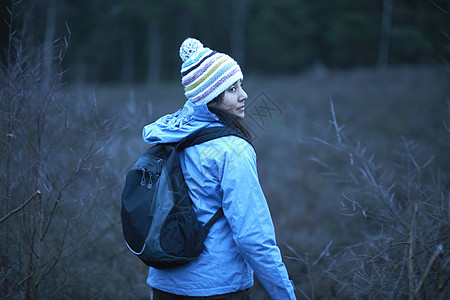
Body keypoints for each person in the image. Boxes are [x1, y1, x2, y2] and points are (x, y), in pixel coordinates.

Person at [142, 37, 296, 300]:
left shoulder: (170, 136)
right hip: (217, 288)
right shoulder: (233, 150)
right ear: (211, 98)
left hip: (163, 284)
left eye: (241, 85)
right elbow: (253, 238)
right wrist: (285, 294)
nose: (244, 95)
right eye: (232, 89)